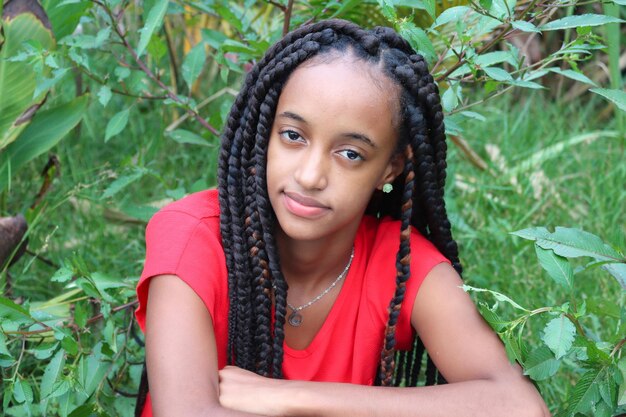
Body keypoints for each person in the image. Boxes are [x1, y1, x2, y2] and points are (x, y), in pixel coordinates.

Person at [134, 18, 550, 417]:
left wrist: (292, 397)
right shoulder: (193, 237)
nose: (310, 176)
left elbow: (520, 407)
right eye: (293, 136)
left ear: (390, 167)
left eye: (350, 154)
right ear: (265, 130)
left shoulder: (402, 265)